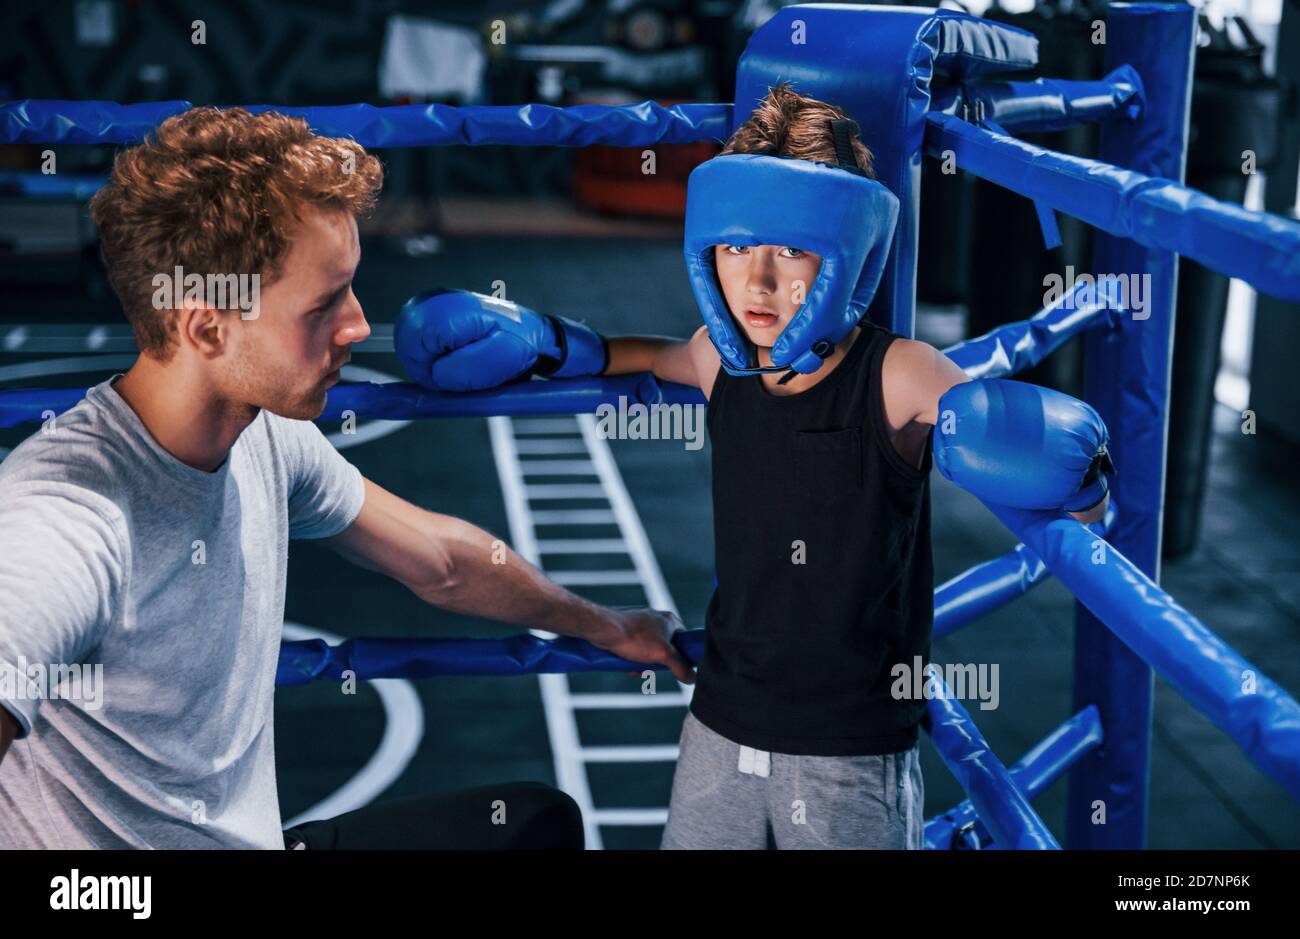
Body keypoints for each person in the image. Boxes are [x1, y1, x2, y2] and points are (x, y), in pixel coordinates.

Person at [392, 84, 1114, 849]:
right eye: (736, 247)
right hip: (722, 717)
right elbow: (644, 355)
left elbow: (1065, 494)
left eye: (791, 250)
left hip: (852, 741)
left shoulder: (902, 375)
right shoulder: (719, 360)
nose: (759, 282)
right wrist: (545, 340)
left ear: (848, 250)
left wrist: (1082, 478)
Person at [0, 107, 693, 850]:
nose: (361, 325)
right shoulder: (69, 512)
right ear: (206, 327)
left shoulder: (262, 435)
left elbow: (444, 562)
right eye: (325, 303)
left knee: (532, 826)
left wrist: (611, 626)